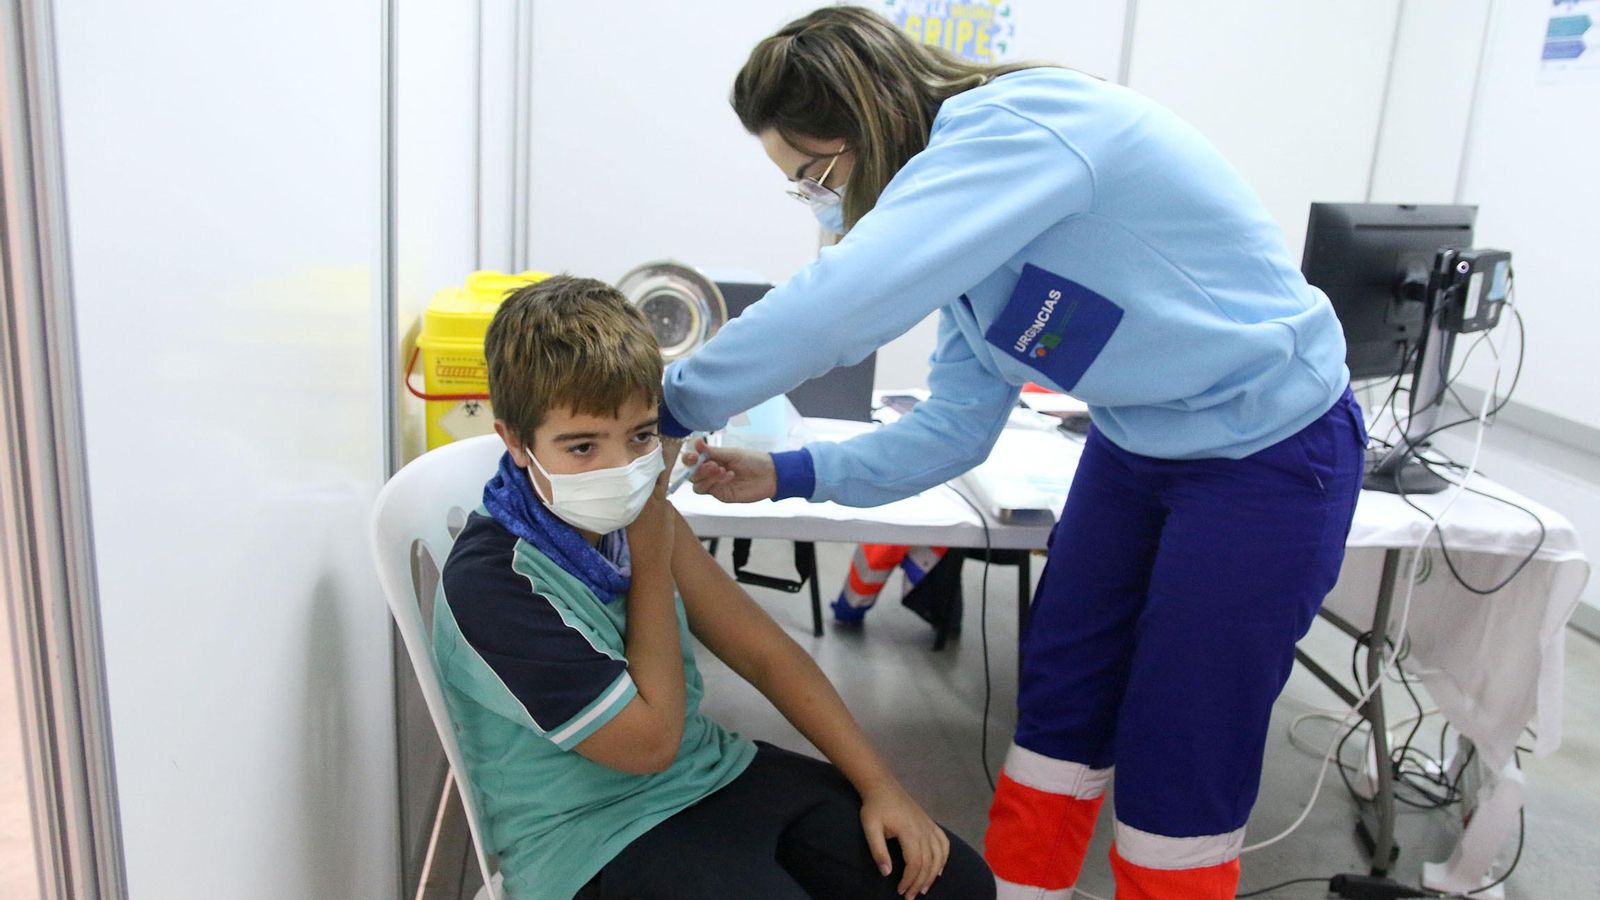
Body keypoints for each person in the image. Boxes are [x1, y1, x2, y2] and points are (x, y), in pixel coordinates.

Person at [661, 8, 1366, 899]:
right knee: (1062, 699)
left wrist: (673, 401)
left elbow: (847, 298)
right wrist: (790, 474)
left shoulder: (1025, 126)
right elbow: (955, 428)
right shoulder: (976, 255)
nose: (821, 202)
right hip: (1135, 446)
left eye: (815, 176)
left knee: (1185, 733)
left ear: (868, 119)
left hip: (1269, 450)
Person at [434, 275, 994, 900]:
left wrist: (881, 785)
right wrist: (652, 556)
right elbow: (650, 745)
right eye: (583, 447)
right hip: (588, 836)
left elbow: (766, 653)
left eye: (641, 436)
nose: (622, 469)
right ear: (516, 441)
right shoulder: (495, 585)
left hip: (707, 773)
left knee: (956, 885)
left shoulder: (634, 520)